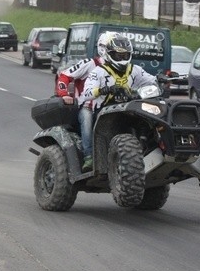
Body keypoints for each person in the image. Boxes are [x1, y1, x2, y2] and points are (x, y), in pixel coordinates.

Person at [78, 33, 157, 170]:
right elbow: (87, 93)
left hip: (128, 108)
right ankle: (89, 156)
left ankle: (148, 146)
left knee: (149, 115)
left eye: (125, 55)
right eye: (118, 55)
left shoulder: (135, 70)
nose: (122, 59)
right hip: (104, 112)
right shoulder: (98, 72)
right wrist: (104, 90)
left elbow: (151, 80)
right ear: (109, 54)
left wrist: (161, 79)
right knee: (86, 118)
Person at [55, 33, 111, 169]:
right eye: (113, 50)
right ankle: (88, 157)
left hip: (112, 107)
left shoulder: (122, 69)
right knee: (87, 118)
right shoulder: (90, 64)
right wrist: (64, 94)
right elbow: (64, 75)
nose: (120, 55)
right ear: (103, 48)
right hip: (87, 106)